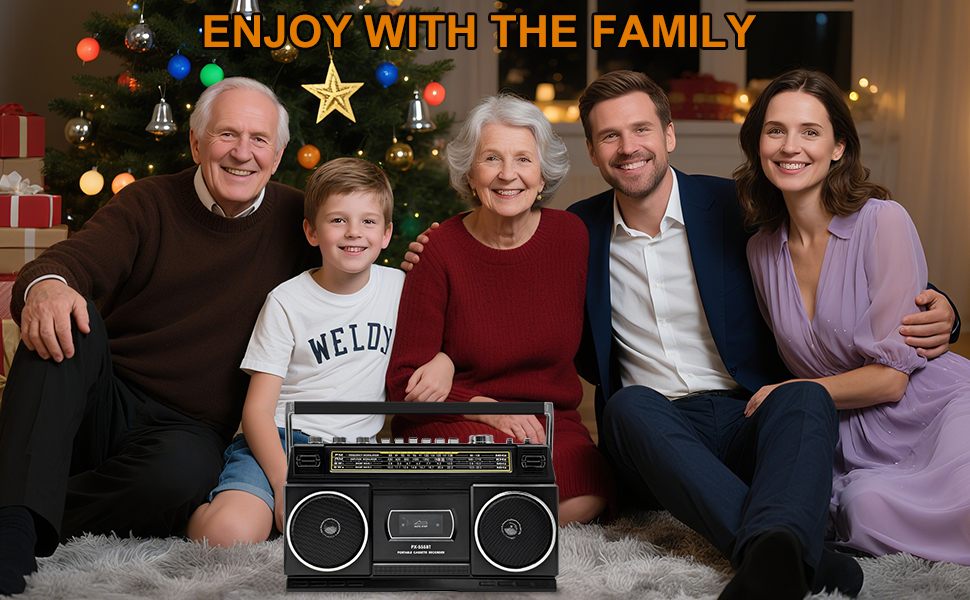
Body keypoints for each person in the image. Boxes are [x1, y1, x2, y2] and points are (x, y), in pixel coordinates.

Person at [566, 70, 959, 600]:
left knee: (804, 397)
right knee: (628, 405)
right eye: (610, 135)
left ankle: (774, 557)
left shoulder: (739, 208)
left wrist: (945, 309)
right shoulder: (574, 233)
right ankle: (803, 558)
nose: (628, 147)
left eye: (641, 129)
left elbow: (843, 263)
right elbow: (521, 296)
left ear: (669, 134)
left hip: (747, 412)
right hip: (655, 429)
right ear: (592, 150)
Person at [0, 78, 314, 595]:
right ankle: (12, 531)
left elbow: (363, 261)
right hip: (106, 398)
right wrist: (48, 287)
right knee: (64, 315)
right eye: (226, 134)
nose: (242, 153)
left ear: (278, 155)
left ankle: (26, 504)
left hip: (187, 431)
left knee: (181, 479)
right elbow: (69, 262)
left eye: (259, 139)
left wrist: (427, 257)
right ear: (195, 143)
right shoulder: (148, 202)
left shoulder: (302, 221)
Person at [738, 69, 970, 565]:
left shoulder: (883, 221)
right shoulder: (760, 251)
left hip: (932, 409)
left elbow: (891, 380)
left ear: (839, 147)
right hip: (844, 432)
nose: (790, 146)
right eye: (775, 130)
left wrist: (790, 392)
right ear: (758, 143)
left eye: (810, 131)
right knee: (863, 512)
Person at [185, 158, 453, 546]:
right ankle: (208, 505)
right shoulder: (287, 302)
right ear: (312, 231)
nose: (354, 232)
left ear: (386, 234)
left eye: (368, 221)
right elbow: (257, 412)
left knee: (386, 530)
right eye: (338, 220)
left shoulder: (401, 289)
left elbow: (453, 334)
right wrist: (284, 483)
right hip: (279, 443)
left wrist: (444, 361)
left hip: (351, 454)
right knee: (228, 534)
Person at [386, 94, 615, 526]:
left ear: (542, 175)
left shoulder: (572, 237)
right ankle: (501, 519)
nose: (508, 174)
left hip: (547, 421)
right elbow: (403, 383)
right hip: (455, 417)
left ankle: (487, 519)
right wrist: (484, 407)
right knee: (489, 468)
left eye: (523, 159)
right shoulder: (439, 250)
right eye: (491, 158)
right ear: (471, 175)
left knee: (586, 490)